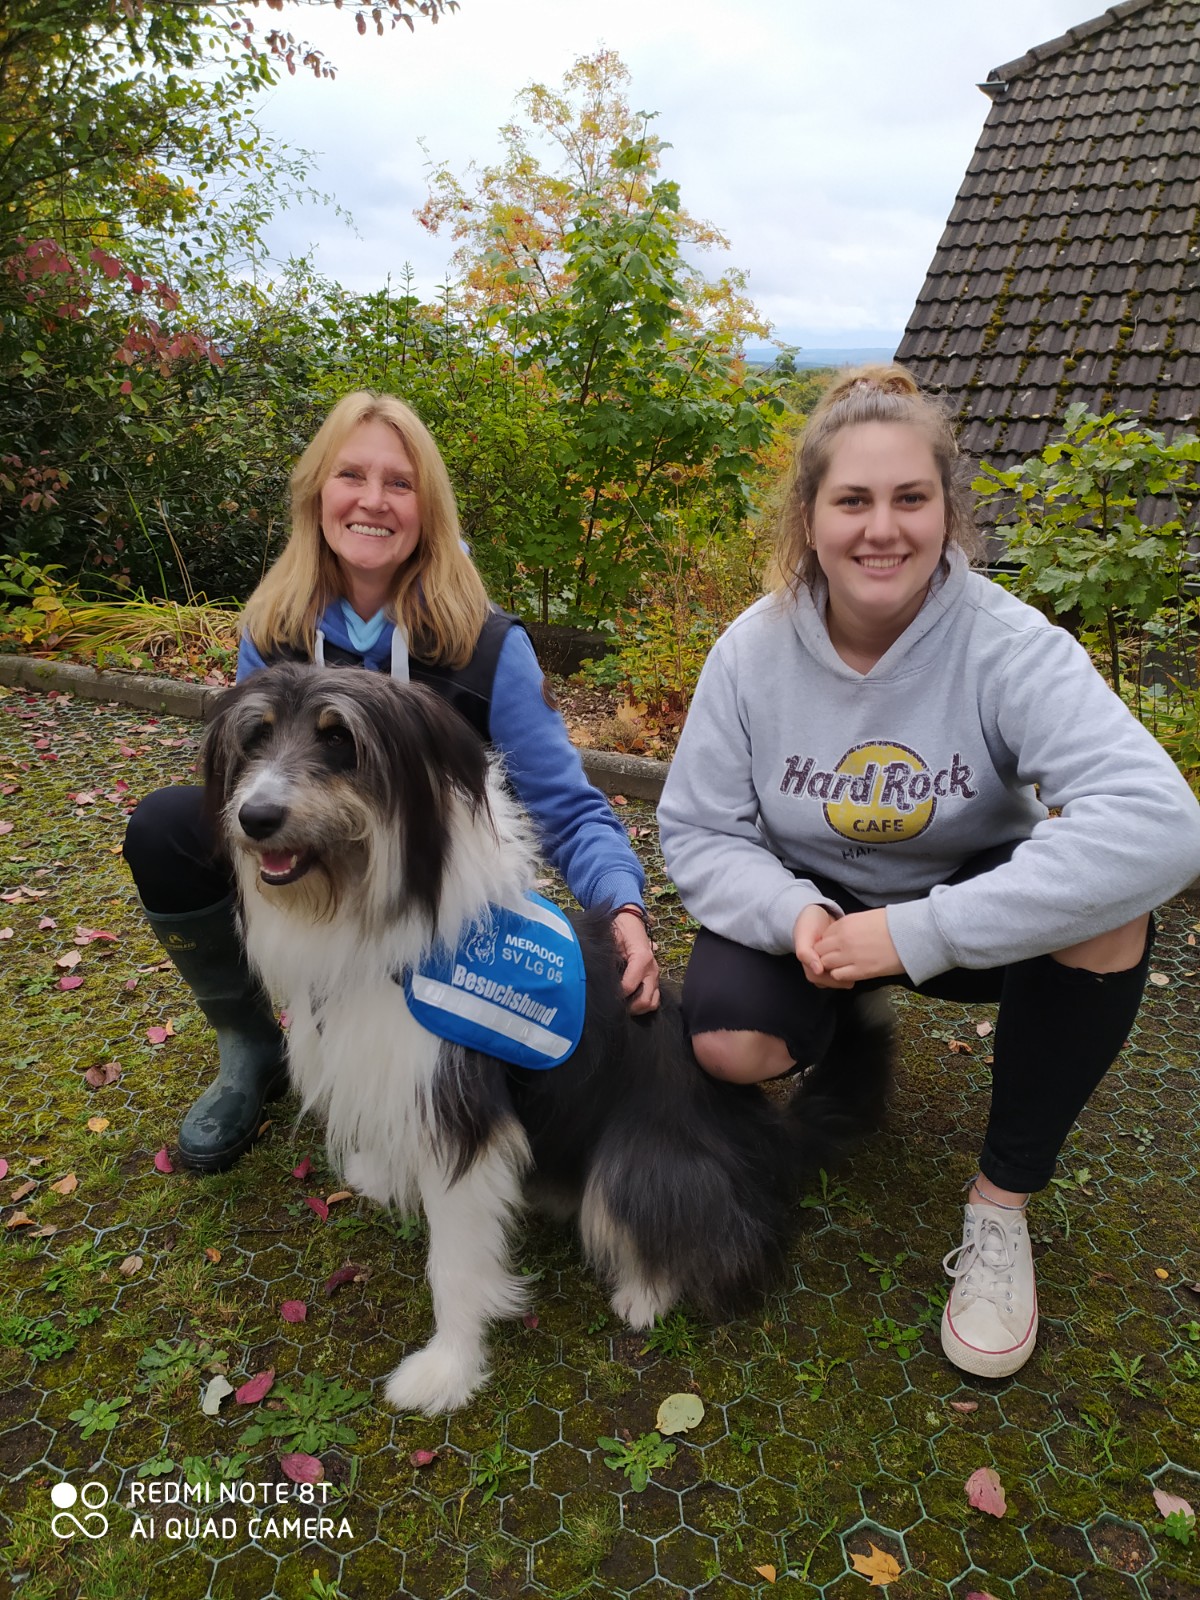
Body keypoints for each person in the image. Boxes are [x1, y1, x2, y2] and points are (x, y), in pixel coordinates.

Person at [657, 365, 1200, 1380]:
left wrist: (918, 933)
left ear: (948, 510)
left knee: (1109, 917)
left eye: (911, 498)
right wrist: (796, 914)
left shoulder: (1006, 645)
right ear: (807, 518)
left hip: (964, 914)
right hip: (813, 922)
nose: (883, 529)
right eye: (852, 500)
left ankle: (1000, 1210)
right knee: (727, 1046)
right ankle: (846, 1017)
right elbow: (696, 828)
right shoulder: (751, 653)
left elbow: (1165, 827)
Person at [124, 390, 659, 1172]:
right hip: (329, 883)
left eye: (399, 484)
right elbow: (249, 782)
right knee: (169, 828)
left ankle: (435, 1070)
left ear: (427, 510)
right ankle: (251, 1042)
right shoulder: (273, 630)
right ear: (317, 496)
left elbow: (568, 809)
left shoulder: (485, 645)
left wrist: (625, 907)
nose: (373, 501)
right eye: (351, 475)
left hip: (434, 912)